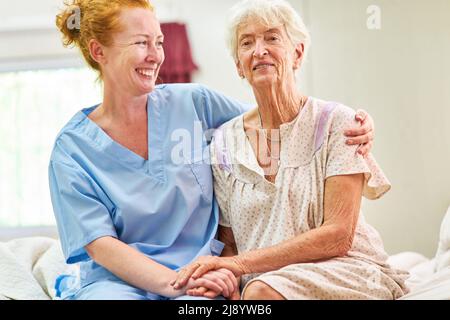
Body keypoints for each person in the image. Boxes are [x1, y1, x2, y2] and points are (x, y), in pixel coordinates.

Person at [49, 0, 375, 300]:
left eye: (159, 42)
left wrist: (353, 123)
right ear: (98, 51)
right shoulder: (73, 150)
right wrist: (175, 283)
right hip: (118, 283)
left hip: (205, 276)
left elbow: (282, 118)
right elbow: (100, 244)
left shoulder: (195, 103)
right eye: (140, 43)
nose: (155, 55)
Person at [171, 0, 409, 300]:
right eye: (247, 43)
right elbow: (229, 242)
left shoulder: (339, 123)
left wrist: (237, 265)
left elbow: (338, 236)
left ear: (297, 53)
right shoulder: (222, 144)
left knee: (260, 293)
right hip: (266, 280)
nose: (259, 50)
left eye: (272, 38)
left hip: (345, 269)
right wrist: (228, 280)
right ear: (239, 66)